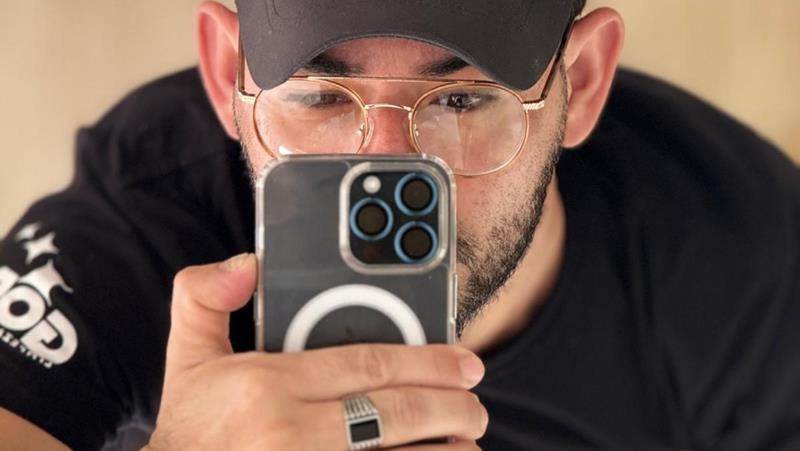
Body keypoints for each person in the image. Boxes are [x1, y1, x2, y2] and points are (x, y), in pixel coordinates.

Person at [1, 0, 798, 449]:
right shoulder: (139, 221)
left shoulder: (742, 250)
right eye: (318, 95)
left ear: (580, 84)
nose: (378, 167)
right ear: (225, 74)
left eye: (461, 99)